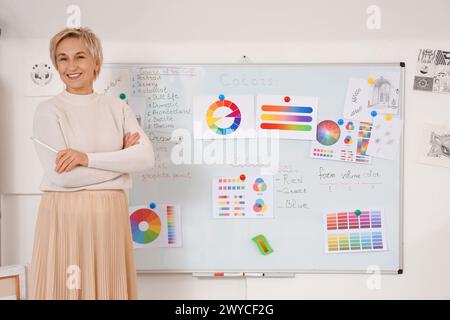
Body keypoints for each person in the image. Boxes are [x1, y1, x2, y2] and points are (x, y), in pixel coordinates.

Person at [29, 27, 154, 299]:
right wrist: (121, 163)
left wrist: (87, 158)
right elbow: (63, 177)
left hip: (110, 217)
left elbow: (145, 157)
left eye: (80, 57)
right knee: (67, 290)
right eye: (63, 58)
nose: (71, 66)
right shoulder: (49, 110)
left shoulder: (117, 108)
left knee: (110, 288)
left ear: (96, 62)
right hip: (65, 216)